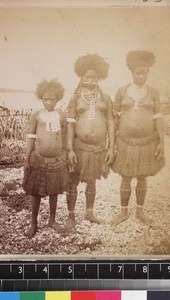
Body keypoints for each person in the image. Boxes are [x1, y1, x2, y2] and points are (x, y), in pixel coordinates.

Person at [111, 51, 165, 225]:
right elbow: (115, 118)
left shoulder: (154, 92)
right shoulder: (121, 91)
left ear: (148, 72)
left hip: (147, 142)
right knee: (126, 176)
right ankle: (123, 212)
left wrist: (162, 143)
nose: (141, 76)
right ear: (131, 72)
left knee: (142, 177)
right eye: (137, 72)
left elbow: (158, 118)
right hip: (125, 142)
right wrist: (113, 144)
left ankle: (140, 212)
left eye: (144, 72)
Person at [65, 53, 115, 233]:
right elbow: (70, 126)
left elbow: (110, 122)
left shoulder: (106, 99)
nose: (91, 80)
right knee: (73, 180)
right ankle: (71, 215)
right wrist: (69, 149)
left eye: (94, 77)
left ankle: (89, 213)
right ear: (81, 77)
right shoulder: (75, 99)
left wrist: (111, 147)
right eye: (87, 77)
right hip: (78, 147)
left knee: (92, 181)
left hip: (98, 148)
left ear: (99, 78)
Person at [23, 79, 68, 237]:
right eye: (46, 99)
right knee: (35, 192)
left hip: (56, 161)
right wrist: (27, 158)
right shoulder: (36, 115)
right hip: (39, 160)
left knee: (54, 191)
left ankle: (52, 220)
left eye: (53, 99)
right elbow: (30, 137)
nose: (49, 102)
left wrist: (66, 154)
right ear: (41, 98)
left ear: (58, 99)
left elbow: (65, 135)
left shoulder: (62, 115)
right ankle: (34, 223)